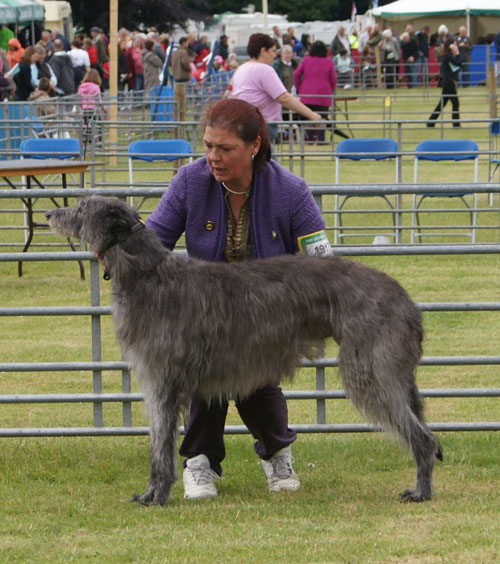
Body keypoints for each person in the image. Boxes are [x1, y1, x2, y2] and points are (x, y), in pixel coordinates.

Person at [145, 97, 331, 499]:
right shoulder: (189, 181)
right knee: (199, 369)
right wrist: (115, 248)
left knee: (257, 379)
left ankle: (277, 454)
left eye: (224, 148)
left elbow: (321, 259)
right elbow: (153, 240)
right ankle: (199, 463)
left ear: (255, 146)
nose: (212, 156)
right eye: (208, 145)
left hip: (267, 311)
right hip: (202, 311)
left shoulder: (290, 191)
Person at [230, 33, 322, 144]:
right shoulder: (264, 69)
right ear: (263, 51)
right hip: (262, 125)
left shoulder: (242, 68)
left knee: (254, 159)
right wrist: (311, 115)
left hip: (242, 124)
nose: (275, 55)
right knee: (265, 159)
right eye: (273, 51)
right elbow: (283, 97)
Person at [294, 40, 338, 143]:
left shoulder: (306, 60)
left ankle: (309, 140)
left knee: (308, 117)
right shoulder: (328, 61)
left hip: (307, 94)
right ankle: (321, 140)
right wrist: (330, 90)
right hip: (323, 95)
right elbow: (334, 79)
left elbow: (296, 74)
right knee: (322, 118)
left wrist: (299, 88)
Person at [427, 38, 461, 128]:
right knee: (455, 103)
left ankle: (430, 122)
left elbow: (457, 67)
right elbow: (459, 63)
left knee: (442, 104)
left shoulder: (448, 56)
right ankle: (456, 124)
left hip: (448, 82)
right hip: (448, 82)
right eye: (454, 44)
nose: (456, 46)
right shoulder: (448, 56)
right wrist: (457, 53)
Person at [171, 36, 193, 122]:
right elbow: (184, 62)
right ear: (184, 42)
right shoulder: (184, 52)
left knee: (177, 95)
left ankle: (179, 109)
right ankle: (182, 109)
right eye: (187, 42)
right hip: (183, 75)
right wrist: (189, 69)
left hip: (176, 75)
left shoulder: (176, 51)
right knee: (183, 95)